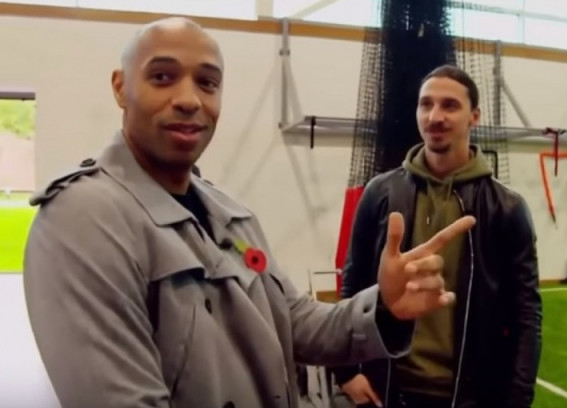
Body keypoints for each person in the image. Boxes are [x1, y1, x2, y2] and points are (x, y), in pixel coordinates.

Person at [22, 19, 476, 408]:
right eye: (162, 77)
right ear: (121, 87)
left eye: (207, 83)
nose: (189, 99)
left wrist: (385, 307)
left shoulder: (228, 213)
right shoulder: (83, 221)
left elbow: (295, 320)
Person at [331, 64, 542, 408]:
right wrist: (345, 373)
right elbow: (351, 286)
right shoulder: (380, 193)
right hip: (385, 390)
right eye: (426, 104)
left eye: (449, 105)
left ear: (474, 117)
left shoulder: (507, 208)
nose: (434, 116)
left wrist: (517, 401)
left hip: (470, 397)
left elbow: (526, 316)